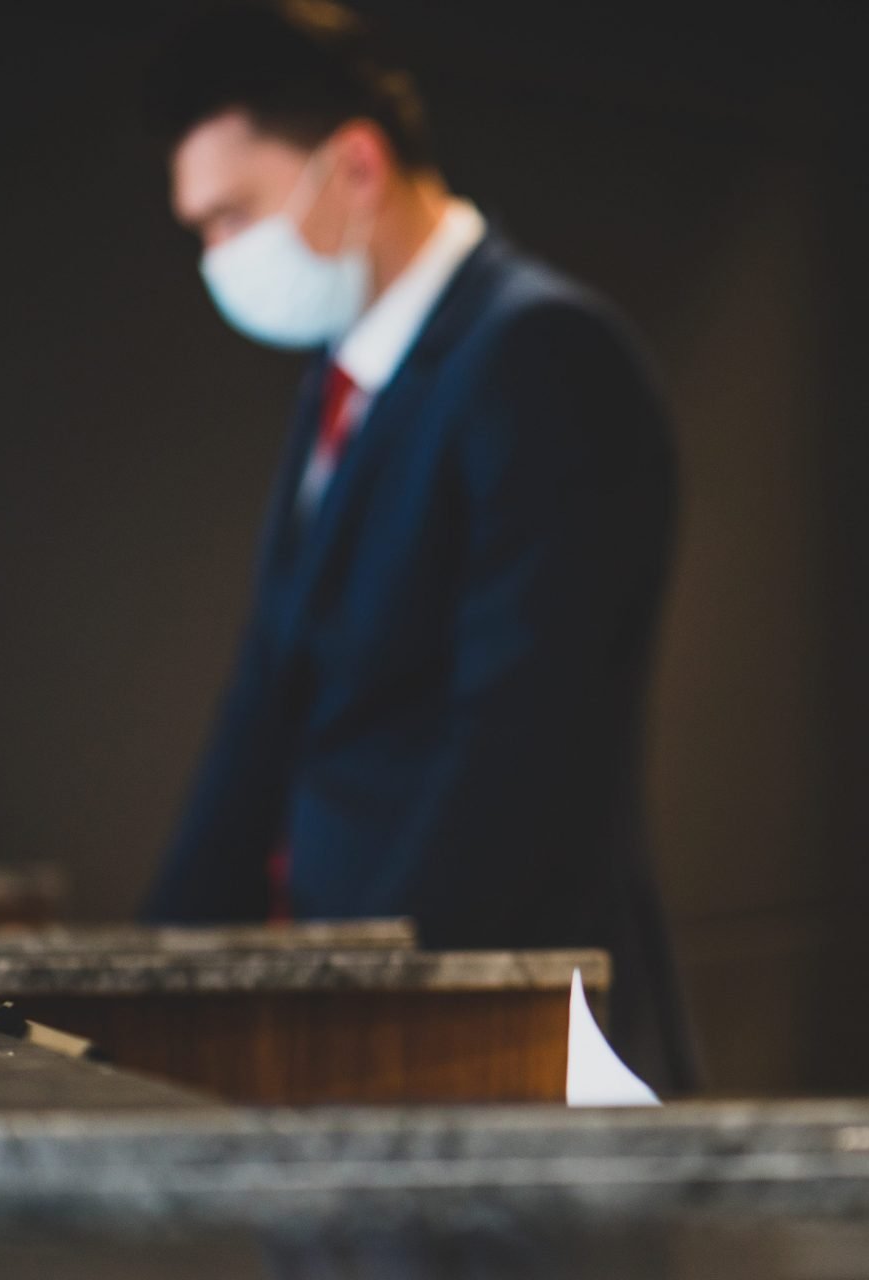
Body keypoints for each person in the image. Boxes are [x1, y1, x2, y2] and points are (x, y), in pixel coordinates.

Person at [136, 0, 693, 1090]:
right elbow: (266, 705)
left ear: (353, 165)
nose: (215, 254)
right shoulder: (339, 381)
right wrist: (145, 980)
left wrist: (368, 1018)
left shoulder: (541, 354)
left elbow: (517, 751)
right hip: (345, 1006)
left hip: (482, 1025)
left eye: (231, 213)